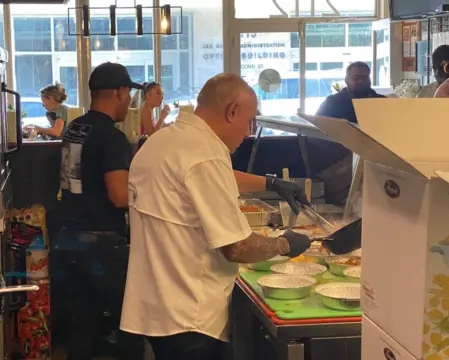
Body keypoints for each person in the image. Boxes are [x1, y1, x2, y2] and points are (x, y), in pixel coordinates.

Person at [120, 73, 313, 360]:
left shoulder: (165, 141)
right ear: (232, 111)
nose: (248, 133)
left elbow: (208, 177)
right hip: (191, 316)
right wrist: (284, 244)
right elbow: (238, 247)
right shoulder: (204, 153)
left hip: (157, 305)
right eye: (250, 122)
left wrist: (269, 182)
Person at [56, 62, 145, 360]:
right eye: (129, 93)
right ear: (120, 92)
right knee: (131, 327)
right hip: (102, 248)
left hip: (70, 241)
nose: (130, 101)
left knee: (82, 328)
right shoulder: (111, 136)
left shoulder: (75, 127)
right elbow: (119, 196)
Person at [315, 62, 386, 124]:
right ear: (346, 80)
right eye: (355, 77)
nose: (361, 81)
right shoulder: (332, 102)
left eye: (365, 77)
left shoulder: (383, 102)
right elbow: (317, 128)